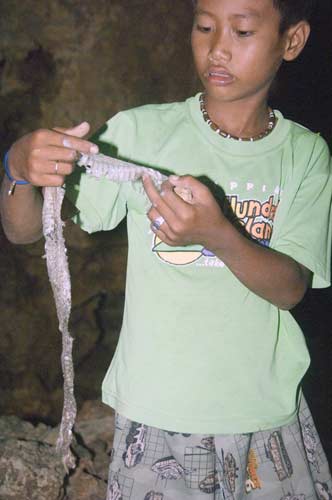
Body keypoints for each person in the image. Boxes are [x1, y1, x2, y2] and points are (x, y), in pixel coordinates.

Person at [1, 0, 331, 497]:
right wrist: (17, 170)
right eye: (203, 26)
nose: (217, 47)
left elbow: (290, 288)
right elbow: (26, 231)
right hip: (157, 417)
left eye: (241, 31)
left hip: (264, 412)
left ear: (292, 40)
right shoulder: (140, 133)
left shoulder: (305, 154)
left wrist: (219, 234)